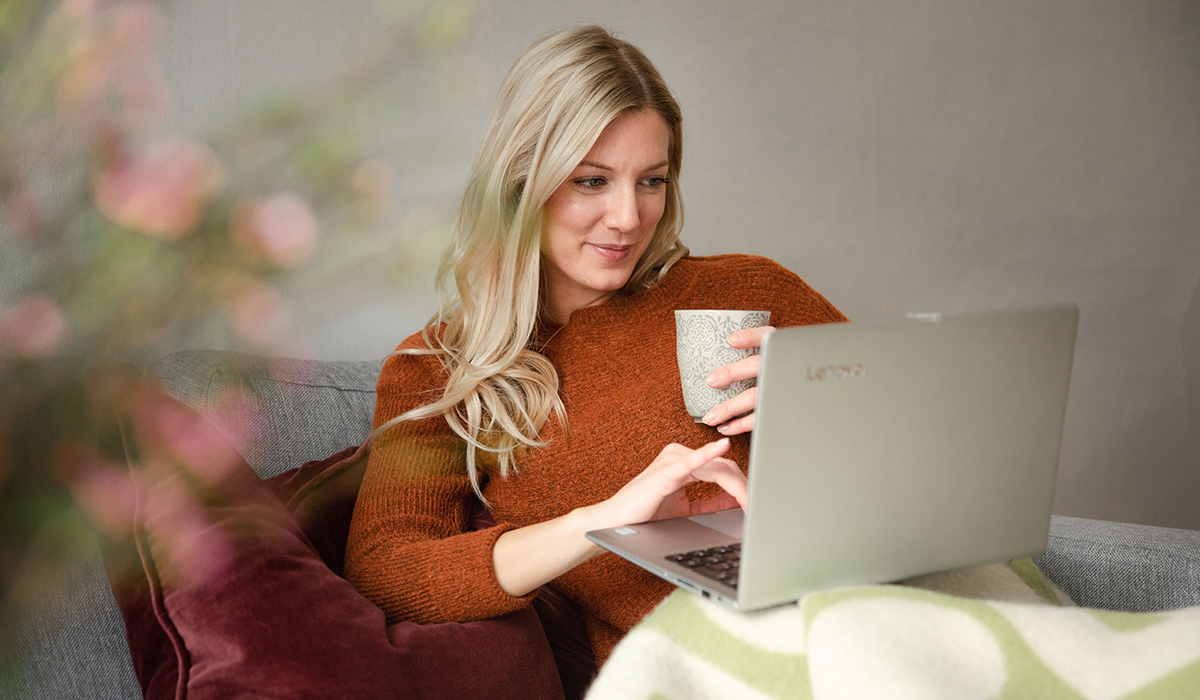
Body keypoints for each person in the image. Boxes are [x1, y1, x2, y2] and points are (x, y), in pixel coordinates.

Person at [344, 25, 847, 666]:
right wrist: (606, 520)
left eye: (651, 181)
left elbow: (943, 447)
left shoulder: (747, 290)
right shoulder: (442, 372)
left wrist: (834, 396)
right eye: (591, 181)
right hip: (711, 663)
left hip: (870, 598)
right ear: (522, 184)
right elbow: (388, 571)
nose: (629, 218)